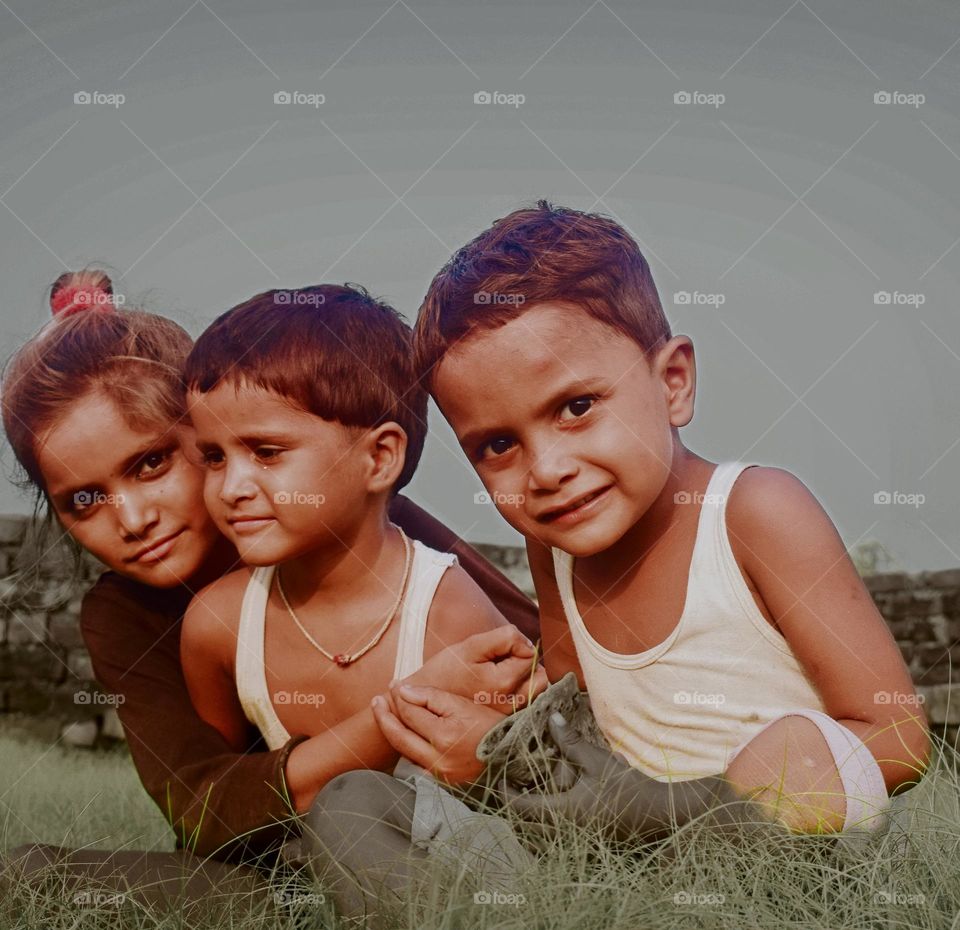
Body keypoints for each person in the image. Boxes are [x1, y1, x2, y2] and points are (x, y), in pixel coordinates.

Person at [372, 200, 932, 840]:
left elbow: (897, 737)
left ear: (672, 383)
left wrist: (678, 811)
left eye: (577, 406)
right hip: (622, 843)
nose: (546, 470)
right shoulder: (554, 546)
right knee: (362, 803)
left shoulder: (754, 511)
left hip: (788, 842)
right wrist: (496, 744)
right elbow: (580, 731)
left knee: (793, 747)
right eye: (497, 446)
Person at [0, 271, 541, 910]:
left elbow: (531, 651)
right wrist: (397, 717)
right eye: (83, 500)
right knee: (27, 872)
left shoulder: (356, 527)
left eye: (151, 464)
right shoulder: (131, 615)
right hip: (263, 869)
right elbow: (202, 810)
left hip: (412, 838)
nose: (133, 517)